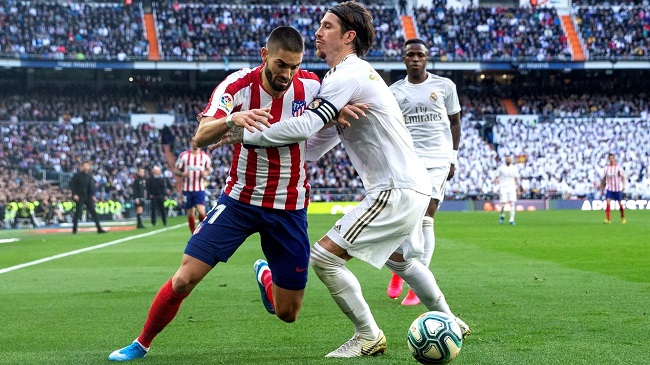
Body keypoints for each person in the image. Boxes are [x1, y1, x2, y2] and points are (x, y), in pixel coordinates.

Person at [218, 1, 469, 357]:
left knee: (323, 258)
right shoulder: (353, 77)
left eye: (327, 27)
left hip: (394, 189)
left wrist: (248, 134)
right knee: (402, 260)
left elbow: (306, 126)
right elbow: (317, 142)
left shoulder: (346, 74)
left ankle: (368, 335)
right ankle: (449, 319)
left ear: (348, 36)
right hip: (411, 186)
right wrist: (281, 150)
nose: (318, 33)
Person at [107, 26, 323, 362]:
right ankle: (141, 343)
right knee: (183, 279)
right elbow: (200, 136)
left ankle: (265, 274)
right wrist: (231, 119)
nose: (288, 74)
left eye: (295, 66)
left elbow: (338, 104)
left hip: (288, 205)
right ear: (265, 56)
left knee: (287, 313)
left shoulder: (310, 85)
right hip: (238, 201)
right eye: (282, 65)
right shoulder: (236, 86)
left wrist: (345, 111)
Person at [387, 38, 462, 307]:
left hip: (438, 159)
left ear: (426, 59)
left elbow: (455, 122)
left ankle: (417, 284)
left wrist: (452, 157)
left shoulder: (444, 86)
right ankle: (400, 265)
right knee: (408, 213)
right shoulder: (394, 91)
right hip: (409, 159)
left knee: (428, 212)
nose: (415, 59)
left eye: (420, 55)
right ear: (404, 59)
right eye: (411, 55)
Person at [173, 141, 212, 233]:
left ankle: (202, 232)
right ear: (191, 143)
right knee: (190, 212)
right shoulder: (184, 156)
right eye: (194, 141)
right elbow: (175, 170)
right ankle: (193, 233)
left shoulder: (205, 156)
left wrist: (206, 173)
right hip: (187, 189)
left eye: (197, 141)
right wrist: (183, 173)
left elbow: (209, 169)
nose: (196, 143)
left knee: (202, 212)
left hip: (199, 189)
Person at [70, 161, 106, 234]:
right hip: (79, 196)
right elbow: (72, 185)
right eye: (85, 166)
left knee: (93, 212)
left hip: (87, 197)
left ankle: (99, 228)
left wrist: (92, 196)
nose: (86, 167)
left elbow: (91, 187)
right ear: (82, 167)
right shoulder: (77, 175)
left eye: (88, 166)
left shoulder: (89, 176)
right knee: (77, 213)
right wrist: (74, 194)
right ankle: (74, 230)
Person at [600, 153, 626, 224]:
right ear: (609, 159)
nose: (611, 159)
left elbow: (623, 177)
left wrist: (623, 186)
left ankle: (622, 217)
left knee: (620, 203)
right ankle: (608, 219)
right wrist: (602, 188)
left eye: (612, 158)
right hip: (609, 188)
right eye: (610, 158)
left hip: (617, 189)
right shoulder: (606, 168)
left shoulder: (618, 167)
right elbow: (604, 179)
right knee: (608, 202)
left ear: (614, 159)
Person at [494, 156, 520, 225]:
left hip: (511, 187)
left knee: (512, 203)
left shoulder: (514, 168)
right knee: (503, 203)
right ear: (505, 160)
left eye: (509, 159)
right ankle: (502, 215)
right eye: (507, 159)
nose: (508, 160)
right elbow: (496, 177)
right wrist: (495, 186)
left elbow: (516, 179)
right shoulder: (501, 168)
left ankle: (511, 220)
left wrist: (518, 189)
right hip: (503, 187)